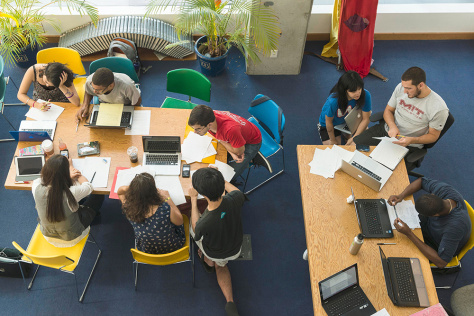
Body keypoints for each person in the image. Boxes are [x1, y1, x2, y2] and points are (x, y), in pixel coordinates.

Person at [353, 67, 449, 167]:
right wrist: (392, 126)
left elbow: (433, 136)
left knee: (385, 173)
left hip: (410, 145)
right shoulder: (401, 87)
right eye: (404, 87)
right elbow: (388, 111)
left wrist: (412, 140)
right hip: (387, 132)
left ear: (421, 85)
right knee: (353, 147)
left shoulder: (438, 108)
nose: (404, 92)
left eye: (408, 88)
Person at [189, 168, 244, 316]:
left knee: (220, 266)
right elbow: (237, 191)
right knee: (221, 262)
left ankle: (208, 261)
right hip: (237, 247)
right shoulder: (236, 198)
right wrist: (219, 180)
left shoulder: (205, 222)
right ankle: (230, 302)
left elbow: (196, 228)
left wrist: (194, 200)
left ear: (203, 194)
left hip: (217, 252)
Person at [389, 177, 471, 268]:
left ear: (435, 215)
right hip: (429, 227)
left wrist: (409, 234)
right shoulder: (443, 191)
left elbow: (441, 263)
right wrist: (400, 196)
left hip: (436, 244)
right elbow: (421, 181)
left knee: (396, 252)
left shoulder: (453, 228)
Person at [32, 155, 104, 247]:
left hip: (48, 235)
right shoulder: (71, 193)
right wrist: (74, 171)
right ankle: (93, 214)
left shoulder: (36, 186)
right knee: (98, 195)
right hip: (72, 236)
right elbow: (88, 186)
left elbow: (46, 179)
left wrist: (66, 172)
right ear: (65, 174)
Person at [188, 105, 262, 180]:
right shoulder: (210, 115)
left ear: (209, 125)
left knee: (227, 176)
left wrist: (220, 141)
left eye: (198, 129)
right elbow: (227, 113)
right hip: (238, 135)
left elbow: (239, 152)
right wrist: (231, 152)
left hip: (252, 141)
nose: (195, 132)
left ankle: (250, 160)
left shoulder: (230, 130)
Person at [117, 172, 185, 254]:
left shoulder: (128, 208)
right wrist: (168, 198)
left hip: (146, 251)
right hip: (173, 248)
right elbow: (180, 221)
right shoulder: (165, 209)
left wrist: (136, 189)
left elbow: (120, 192)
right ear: (154, 192)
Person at [317, 71, 372, 145]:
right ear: (345, 90)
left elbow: (366, 119)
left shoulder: (365, 94)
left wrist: (354, 137)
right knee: (335, 149)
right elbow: (328, 122)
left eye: (359, 89)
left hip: (349, 119)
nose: (358, 93)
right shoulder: (333, 101)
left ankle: (347, 134)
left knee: (362, 142)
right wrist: (333, 140)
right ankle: (346, 134)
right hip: (331, 124)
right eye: (353, 91)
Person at [75, 67, 141, 122]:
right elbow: (88, 91)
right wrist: (85, 105)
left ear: (111, 86)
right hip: (105, 105)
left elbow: (137, 101)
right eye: (93, 88)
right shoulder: (90, 81)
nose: (94, 92)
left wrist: (127, 113)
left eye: (98, 90)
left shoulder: (127, 86)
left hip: (125, 106)